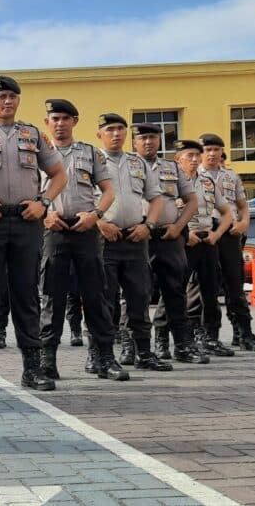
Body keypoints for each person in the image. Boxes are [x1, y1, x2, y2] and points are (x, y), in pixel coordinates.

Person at [0, 75, 67, 393]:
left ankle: (32, 369)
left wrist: (44, 203)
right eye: (1, 96)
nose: (7, 101)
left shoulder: (33, 134)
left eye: (12, 97)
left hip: (26, 220)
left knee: (26, 295)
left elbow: (58, 174)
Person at [37, 100, 118, 381]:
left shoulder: (91, 153)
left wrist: (96, 215)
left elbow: (108, 191)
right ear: (47, 122)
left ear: (75, 121)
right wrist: (44, 214)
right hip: (53, 231)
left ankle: (103, 357)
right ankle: (47, 361)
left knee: (96, 296)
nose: (60, 123)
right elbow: (28, 192)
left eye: (65, 118)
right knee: (52, 297)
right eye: (54, 118)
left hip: (86, 230)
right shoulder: (36, 153)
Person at [95, 113, 168, 374]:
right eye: (110, 129)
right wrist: (98, 223)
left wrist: (148, 225)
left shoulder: (138, 163)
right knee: (104, 301)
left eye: (120, 129)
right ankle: (99, 355)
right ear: (99, 134)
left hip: (135, 239)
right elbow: (79, 199)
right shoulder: (92, 160)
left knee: (139, 297)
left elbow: (156, 199)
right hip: (104, 240)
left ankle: (143, 352)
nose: (116, 134)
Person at [133, 125, 208, 364]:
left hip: (169, 237)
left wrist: (178, 227)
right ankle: (137, 348)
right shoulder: (126, 166)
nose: (148, 142)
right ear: (134, 142)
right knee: (137, 294)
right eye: (143, 138)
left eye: (153, 137)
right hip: (139, 238)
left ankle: (181, 346)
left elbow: (192, 200)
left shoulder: (172, 167)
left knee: (175, 292)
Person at [199, 134, 255, 351]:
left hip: (231, 234)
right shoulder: (192, 176)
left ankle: (244, 332)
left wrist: (244, 222)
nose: (212, 153)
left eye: (216, 149)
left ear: (222, 152)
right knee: (206, 287)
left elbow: (242, 204)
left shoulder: (231, 176)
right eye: (208, 149)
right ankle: (208, 333)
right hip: (206, 234)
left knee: (235, 285)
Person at [174, 139, 235, 357]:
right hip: (184, 243)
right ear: (177, 159)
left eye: (196, 156)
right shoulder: (170, 182)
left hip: (207, 242)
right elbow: (162, 212)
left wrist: (216, 234)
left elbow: (227, 213)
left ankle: (212, 338)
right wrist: (184, 233)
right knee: (177, 293)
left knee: (210, 293)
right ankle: (184, 339)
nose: (194, 159)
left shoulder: (208, 181)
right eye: (189, 155)